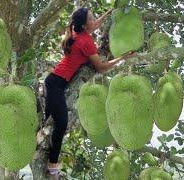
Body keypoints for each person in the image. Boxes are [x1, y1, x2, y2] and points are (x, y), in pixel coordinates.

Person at [44, 7, 134, 178]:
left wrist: (110, 11)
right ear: (85, 26)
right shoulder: (86, 42)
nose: (96, 20)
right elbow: (100, 68)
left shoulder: (75, 30)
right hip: (56, 85)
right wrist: (122, 58)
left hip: (53, 82)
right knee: (61, 124)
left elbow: (96, 23)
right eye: (92, 19)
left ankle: (49, 158)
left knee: (49, 125)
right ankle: (52, 164)